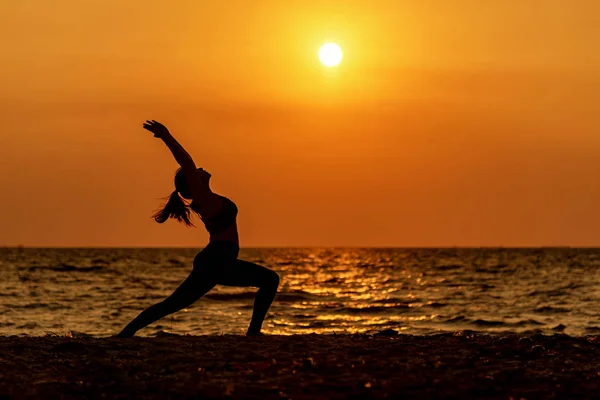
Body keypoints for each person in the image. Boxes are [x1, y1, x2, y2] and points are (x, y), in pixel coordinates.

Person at [117, 120, 279, 337]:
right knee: (269, 280)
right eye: (196, 171)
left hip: (218, 260)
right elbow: (186, 162)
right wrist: (166, 136)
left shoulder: (209, 199)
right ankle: (253, 332)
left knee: (173, 303)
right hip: (217, 259)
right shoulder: (203, 199)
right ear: (193, 182)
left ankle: (126, 333)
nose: (200, 169)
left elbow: (190, 167)